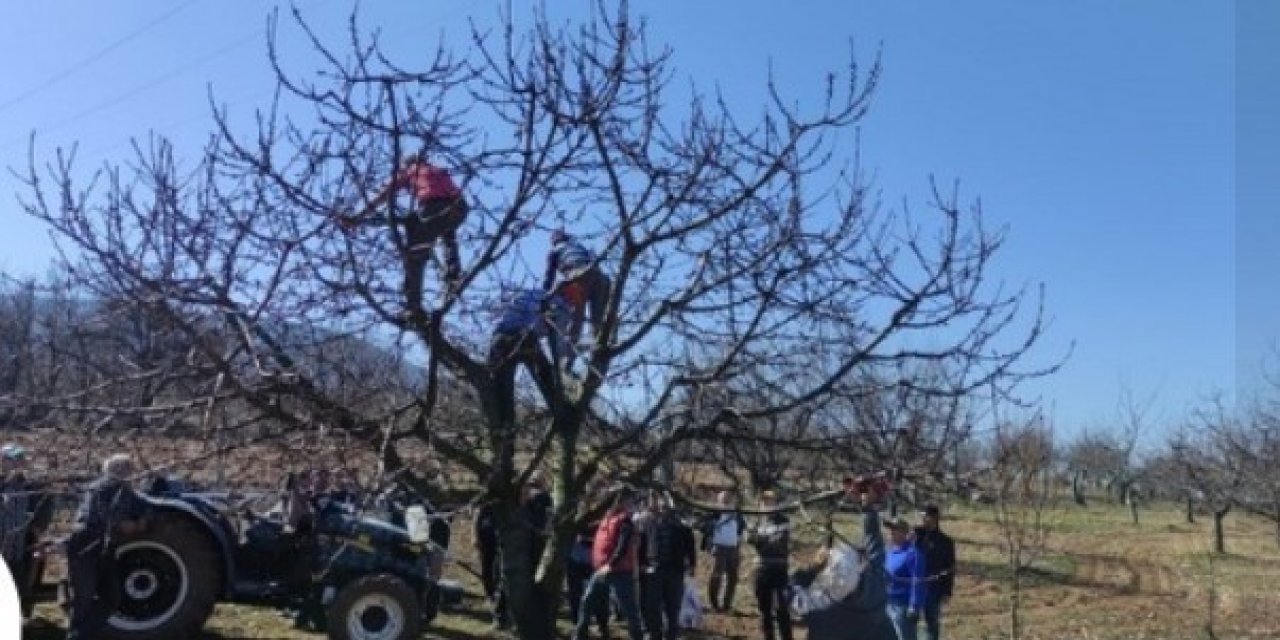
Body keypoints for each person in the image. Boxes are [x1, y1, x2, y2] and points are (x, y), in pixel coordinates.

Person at [340, 149, 469, 316]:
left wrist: (358, 217)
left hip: (434, 207)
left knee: (414, 254)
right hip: (459, 207)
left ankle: (412, 306)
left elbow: (383, 195)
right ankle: (453, 275)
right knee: (445, 232)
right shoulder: (438, 171)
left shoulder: (410, 171)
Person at [794, 482, 896, 640]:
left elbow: (790, 592)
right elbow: (874, 543)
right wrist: (867, 506)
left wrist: (813, 568)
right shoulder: (876, 591)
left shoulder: (819, 611)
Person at [64, 454, 150, 640]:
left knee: (111, 597)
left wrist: (141, 517)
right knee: (83, 598)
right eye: (124, 468)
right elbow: (114, 519)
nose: (129, 472)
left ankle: (83, 633)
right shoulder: (103, 488)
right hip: (86, 543)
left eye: (129, 468)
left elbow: (141, 505)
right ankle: (77, 634)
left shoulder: (125, 490)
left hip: (105, 545)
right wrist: (133, 524)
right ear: (113, 471)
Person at [488, 289, 572, 428]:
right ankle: (565, 417)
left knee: (501, 396)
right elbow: (558, 347)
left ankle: (503, 431)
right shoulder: (562, 307)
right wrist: (566, 365)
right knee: (546, 375)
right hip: (521, 337)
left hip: (500, 338)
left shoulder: (539, 293)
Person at [574, 486, 643, 640]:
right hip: (600, 571)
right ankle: (579, 635)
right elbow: (589, 531)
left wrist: (610, 565)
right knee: (587, 602)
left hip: (619, 572)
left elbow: (622, 547)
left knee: (629, 610)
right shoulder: (606, 518)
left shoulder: (625, 521)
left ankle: (638, 636)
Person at [543, 230, 612, 374]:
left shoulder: (555, 251)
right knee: (598, 322)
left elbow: (549, 277)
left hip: (576, 277)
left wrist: (544, 297)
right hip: (599, 277)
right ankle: (598, 356)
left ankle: (568, 360)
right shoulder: (580, 247)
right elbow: (594, 261)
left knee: (576, 319)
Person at [638, 493, 697, 640]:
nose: (664, 510)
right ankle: (655, 635)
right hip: (654, 569)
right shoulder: (650, 523)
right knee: (653, 606)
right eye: (662, 507)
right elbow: (642, 545)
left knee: (673, 606)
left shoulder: (683, 526)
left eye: (667, 507)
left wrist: (692, 565)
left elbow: (690, 547)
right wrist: (642, 564)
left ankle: (672, 635)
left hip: (675, 571)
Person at [747, 490, 792, 640]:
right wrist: (760, 540)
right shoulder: (757, 522)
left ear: (776, 503)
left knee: (781, 609)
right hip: (761, 570)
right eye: (764, 502)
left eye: (770, 501)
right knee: (764, 609)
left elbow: (777, 544)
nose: (767, 504)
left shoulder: (783, 521)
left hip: (778, 570)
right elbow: (749, 539)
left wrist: (761, 541)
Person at [913, 505, 956, 640]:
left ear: (935, 519)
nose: (923, 519)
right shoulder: (915, 535)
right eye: (922, 516)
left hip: (933, 588)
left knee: (931, 624)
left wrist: (947, 591)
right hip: (913, 588)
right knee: (909, 624)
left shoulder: (945, 542)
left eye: (926, 516)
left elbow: (950, 568)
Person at [702, 491, 745, 613]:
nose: (726, 502)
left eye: (728, 499)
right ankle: (714, 604)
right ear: (718, 501)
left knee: (733, 578)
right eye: (723, 500)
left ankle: (727, 604)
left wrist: (739, 547)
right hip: (718, 548)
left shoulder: (737, 515)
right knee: (716, 576)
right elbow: (703, 527)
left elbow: (740, 531)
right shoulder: (713, 514)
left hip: (733, 548)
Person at [885, 517, 927, 640]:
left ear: (904, 533)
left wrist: (914, 606)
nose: (891, 532)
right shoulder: (889, 552)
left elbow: (918, 581)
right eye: (890, 529)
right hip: (888, 603)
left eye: (895, 529)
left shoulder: (913, 554)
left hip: (903, 606)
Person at [568, 518, 611, 638]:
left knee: (600, 594)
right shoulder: (577, 510)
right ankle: (579, 626)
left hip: (597, 557)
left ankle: (602, 625)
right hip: (577, 555)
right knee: (576, 594)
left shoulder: (604, 512)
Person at [473, 503, 504, 627]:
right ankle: (490, 595)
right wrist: (475, 537)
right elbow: (477, 517)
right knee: (486, 571)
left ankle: (498, 601)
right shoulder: (485, 504)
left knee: (498, 572)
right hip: (486, 541)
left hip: (500, 544)